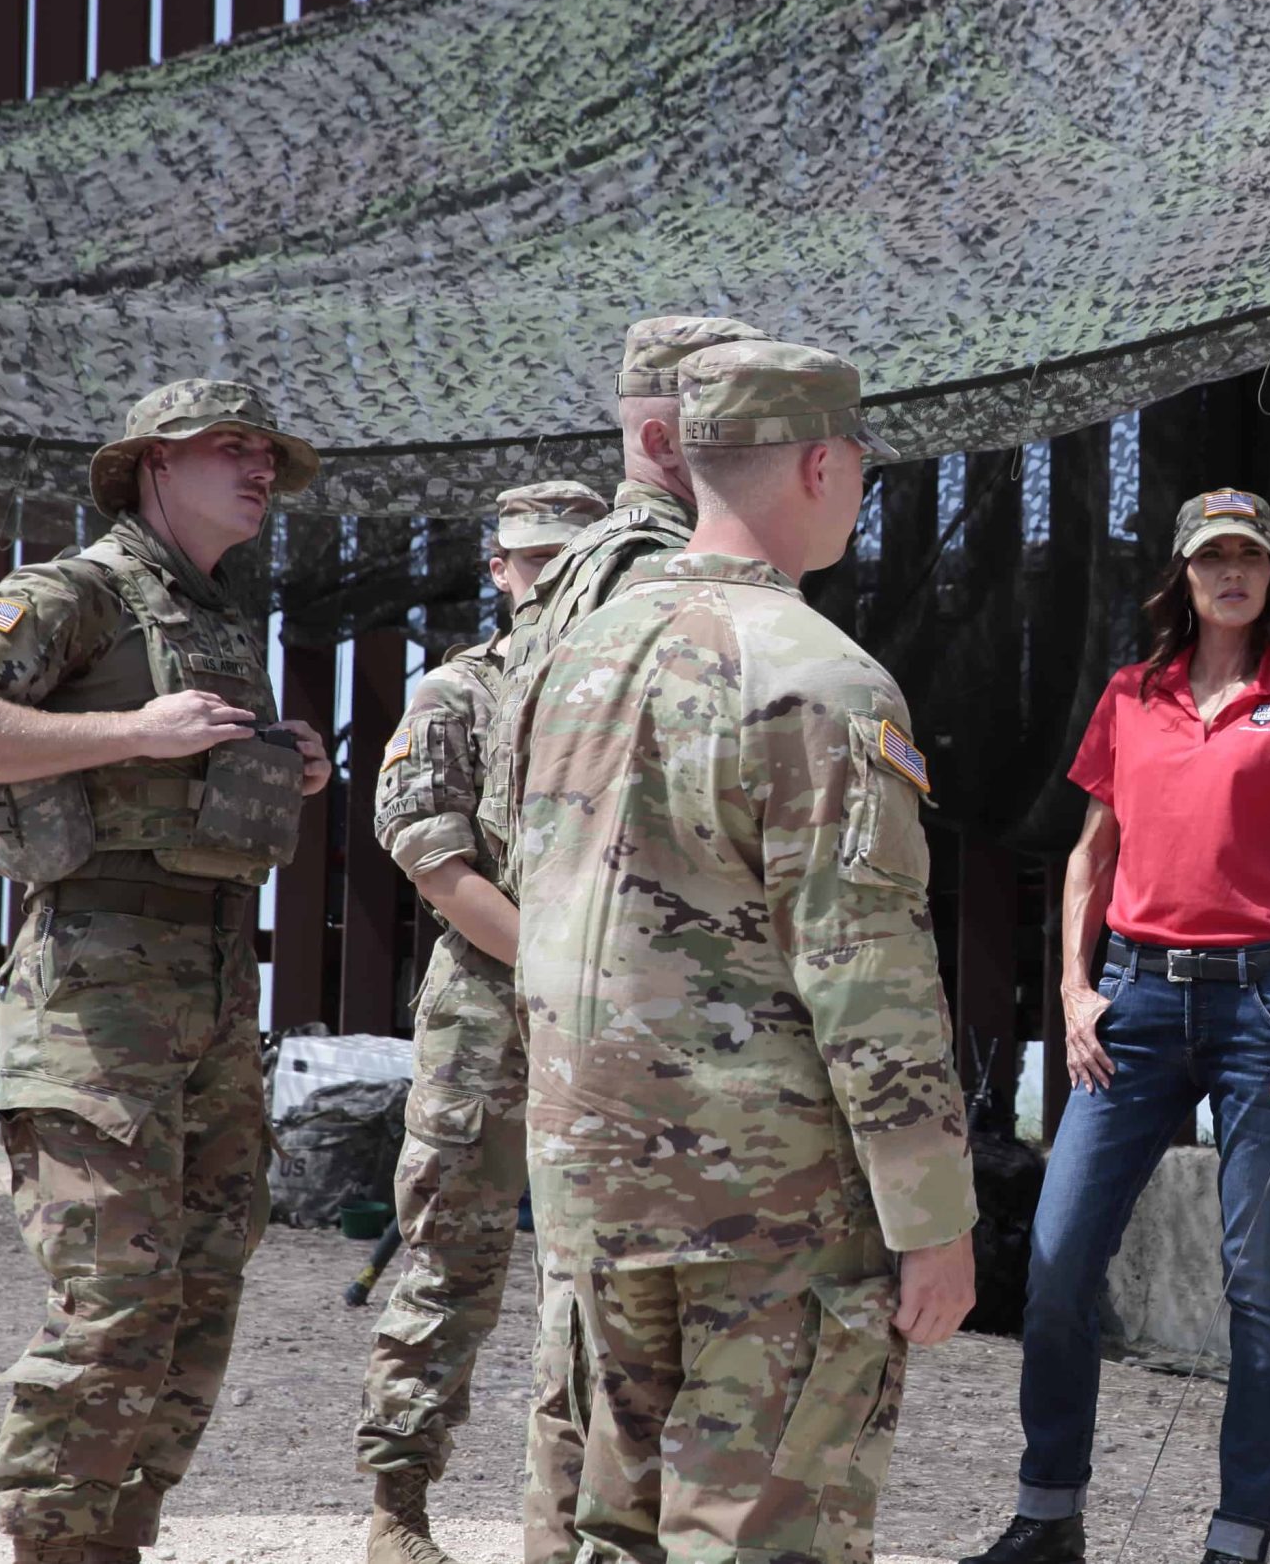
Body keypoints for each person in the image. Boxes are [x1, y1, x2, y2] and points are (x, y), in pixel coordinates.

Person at [513, 338, 978, 1563]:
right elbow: (864, 971)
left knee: (610, 1531)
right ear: (823, 464)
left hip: (592, 1182)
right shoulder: (820, 677)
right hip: (768, 1207)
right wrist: (932, 1213)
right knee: (762, 1532)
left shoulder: (572, 651)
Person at [961, 488, 1270, 1564]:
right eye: (1210, 558)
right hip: (1132, 1004)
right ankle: (1047, 1515)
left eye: (1248, 556)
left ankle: (1239, 1540)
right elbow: (1088, 858)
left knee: (1258, 1283)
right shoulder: (1128, 696)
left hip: (1267, 1007)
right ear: (1183, 578)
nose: (1229, 573)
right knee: (1055, 1261)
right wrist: (1074, 990)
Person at [0, 381, 333, 1564]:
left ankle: (112, 1542)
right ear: (151, 466)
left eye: (269, 450)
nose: (261, 466)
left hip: (216, 992)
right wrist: (132, 732)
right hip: (96, 996)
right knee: (113, 1307)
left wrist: (285, 764)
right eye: (232, 447)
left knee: (201, 1300)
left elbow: (189, 781)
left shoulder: (217, 613)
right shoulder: (71, 593)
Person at [476, 313, 763, 1561]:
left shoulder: (593, 569)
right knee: (630, 1396)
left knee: (589, 1366)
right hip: (635, 1009)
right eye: (733, 427)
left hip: (586, 998)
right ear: (661, 436)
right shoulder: (652, 569)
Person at [354, 480, 608, 1564]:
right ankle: (398, 1506)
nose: (546, 577)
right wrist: (563, 973)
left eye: (567, 559)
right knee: (452, 1255)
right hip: (493, 1013)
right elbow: (436, 862)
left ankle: (588, 1516)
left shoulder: (628, 693)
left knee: (601, 1271)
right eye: (527, 560)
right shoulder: (461, 693)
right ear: (497, 570)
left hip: (611, 1018)